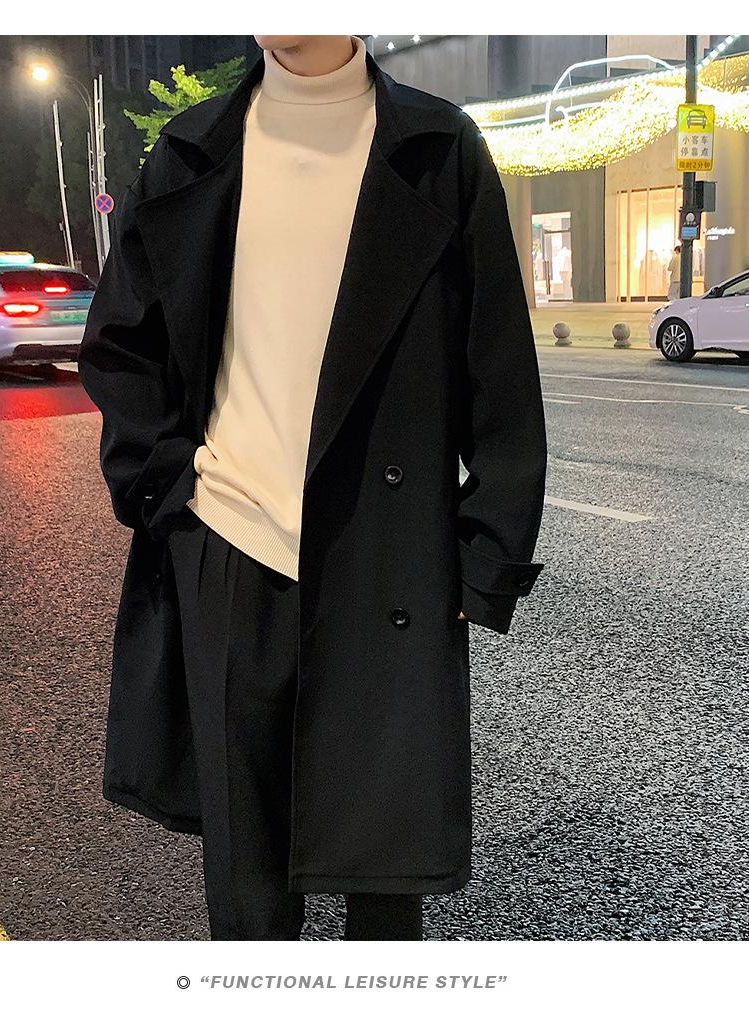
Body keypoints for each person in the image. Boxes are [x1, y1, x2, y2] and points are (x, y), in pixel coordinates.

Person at [78, 35, 547, 942]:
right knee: (247, 895)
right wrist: (170, 484)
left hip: (390, 558)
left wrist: (483, 555)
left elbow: (498, 367)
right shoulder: (193, 149)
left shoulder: (438, 148)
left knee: (384, 885)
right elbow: (122, 341)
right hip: (229, 540)